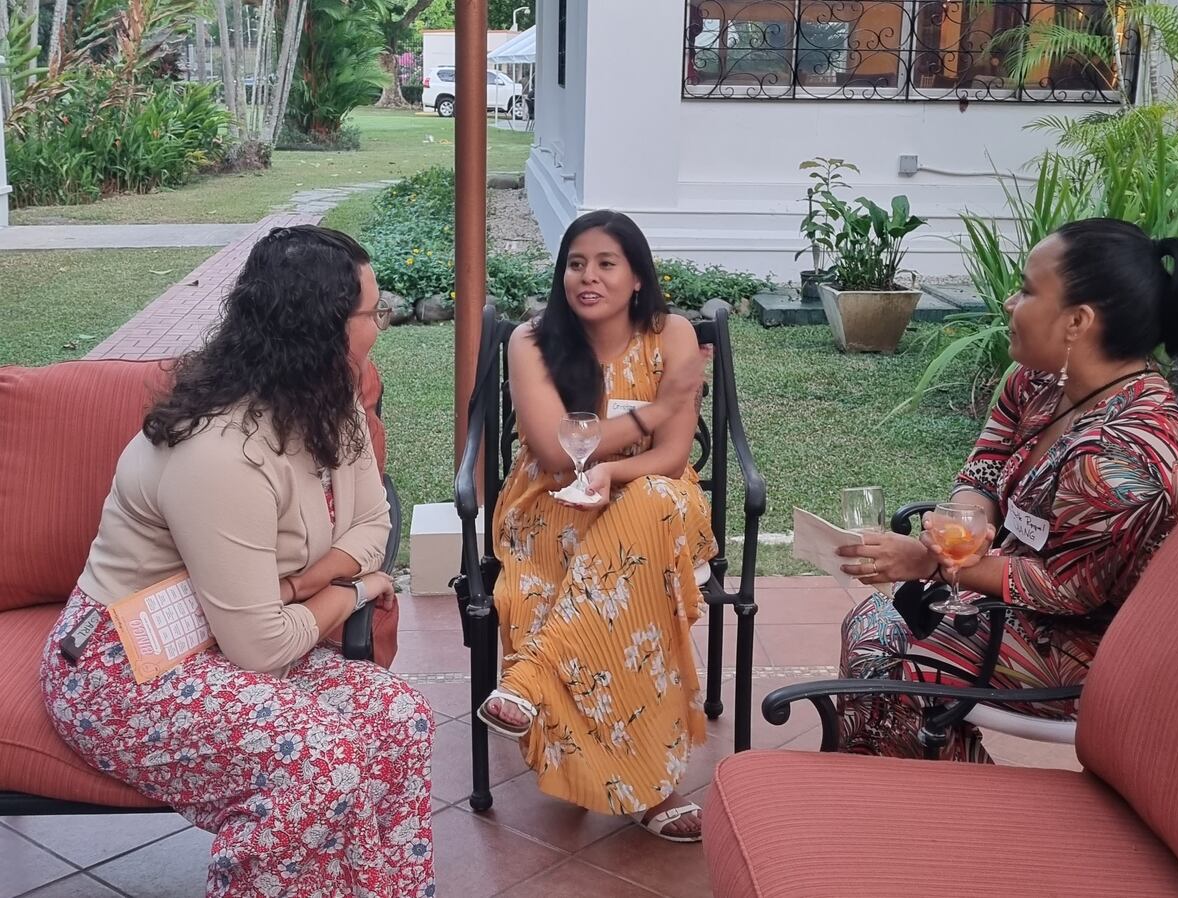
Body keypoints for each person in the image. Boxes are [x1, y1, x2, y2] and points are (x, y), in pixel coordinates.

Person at [40, 226, 436, 898]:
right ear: (324, 328)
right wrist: (358, 588)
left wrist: (306, 582)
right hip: (127, 665)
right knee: (319, 759)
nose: (381, 326)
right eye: (374, 313)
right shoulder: (220, 451)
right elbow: (260, 646)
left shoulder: (329, 400)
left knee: (400, 720)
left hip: (246, 624)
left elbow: (375, 521)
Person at [834, 217, 1178, 761]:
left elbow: (1066, 589)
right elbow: (985, 465)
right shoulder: (1042, 381)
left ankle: (933, 809)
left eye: (1028, 290)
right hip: (1010, 597)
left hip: (1094, 643)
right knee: (874, 629)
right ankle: (903, 794)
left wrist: (932, 562)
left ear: (1078, 321)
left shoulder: (1123, 453)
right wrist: (963, 527)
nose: (1009, 302)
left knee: (895, 666)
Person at [475, 210, 718, 842]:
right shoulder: (531, 342)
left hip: (656, 497)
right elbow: (555, 455)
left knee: (649, 505)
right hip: (553, 505)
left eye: (607, 264)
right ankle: (653, 790)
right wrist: (654, 412)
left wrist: (616, 473)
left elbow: (672, 455)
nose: (589, 277)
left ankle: (529, 677)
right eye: (576, 264)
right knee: (631, 586)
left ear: (637, 276)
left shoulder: (673, 335)